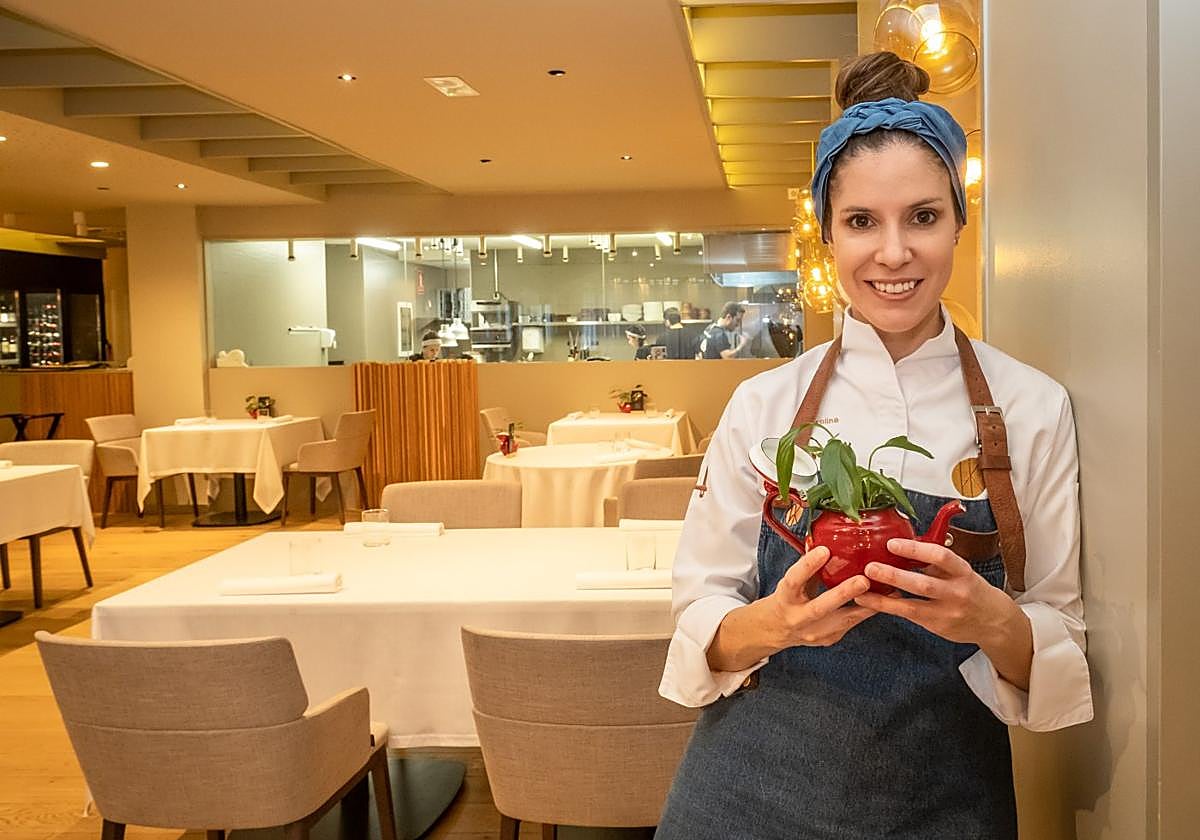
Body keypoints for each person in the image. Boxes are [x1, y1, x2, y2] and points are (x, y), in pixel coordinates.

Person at [655, 51, 1092, 840]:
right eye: (862, 222)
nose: (893, 254)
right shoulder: (762, 405)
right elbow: (698, 615)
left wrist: (988, 617)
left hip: (946, 800)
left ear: (960, 220)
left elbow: (1060, 633)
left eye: (923, 216)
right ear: (827, 234)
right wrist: (776, 625)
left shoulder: (1031, 407)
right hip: (747, 795)